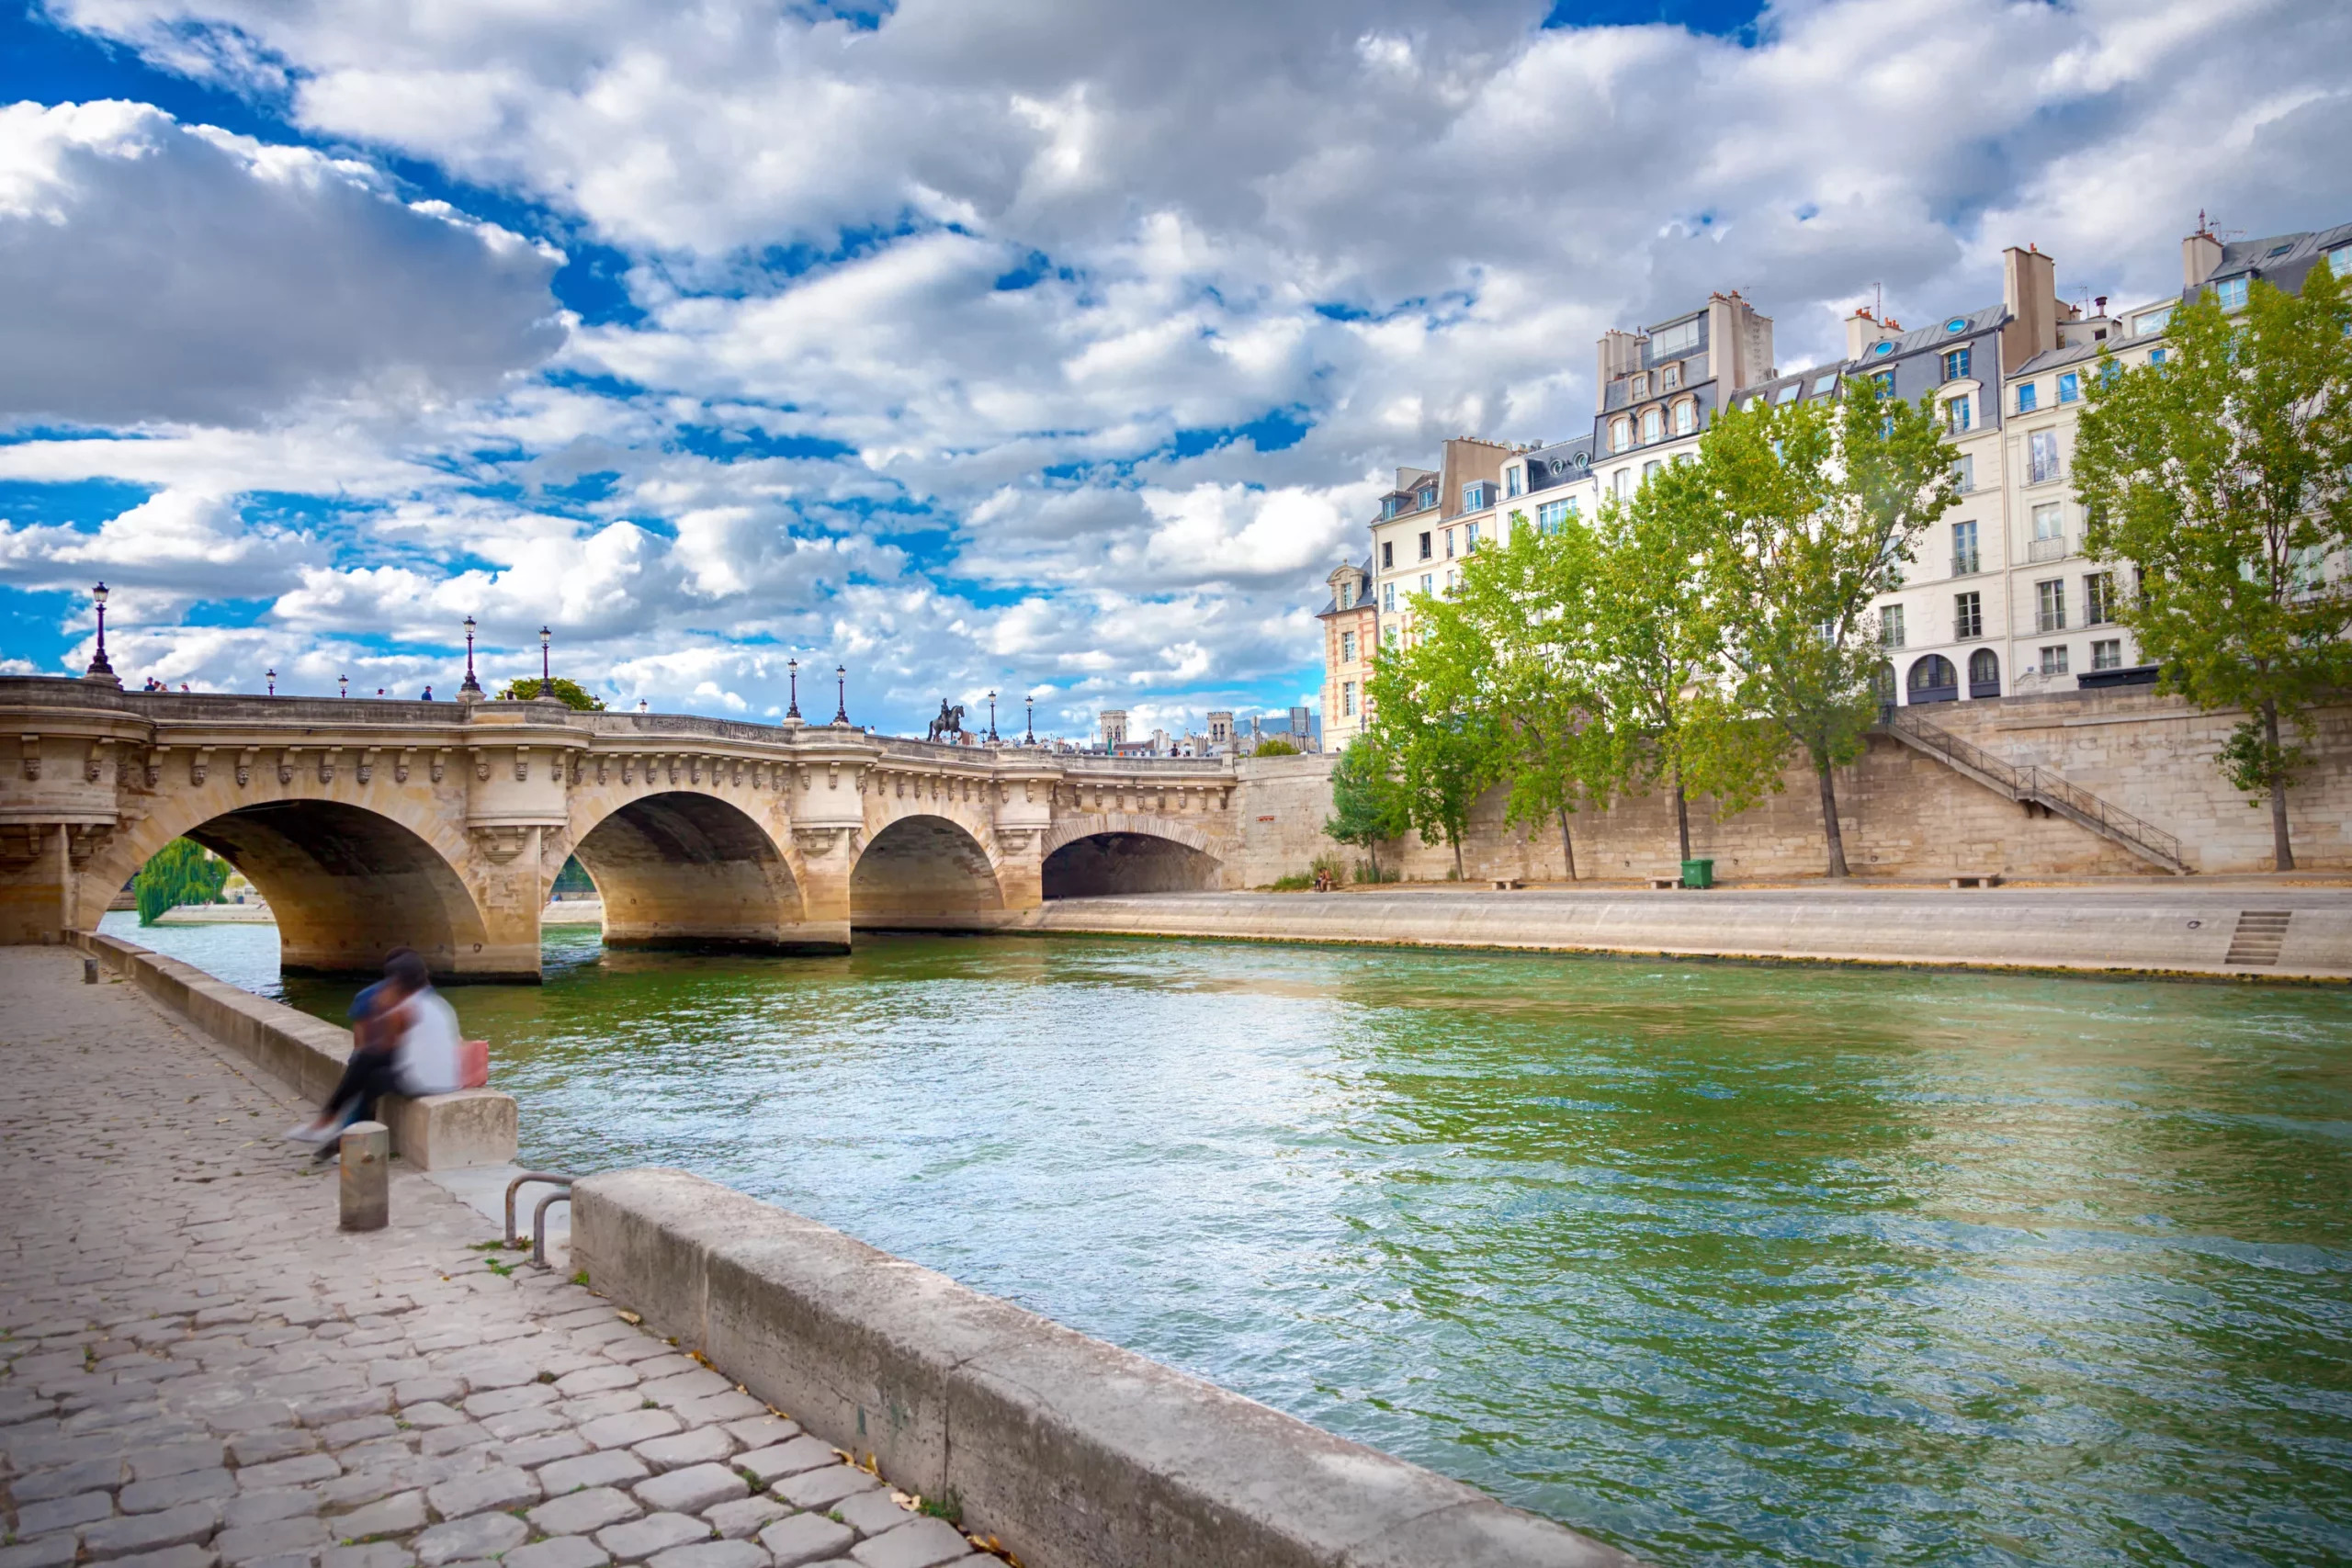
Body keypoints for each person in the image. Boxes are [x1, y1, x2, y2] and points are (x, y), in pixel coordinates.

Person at [283, 948, 465, 1155]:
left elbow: (383, 1044)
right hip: (449, 1081)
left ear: (397, 982)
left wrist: (381, 1007)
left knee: (368, 1067)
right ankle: (340, 1132)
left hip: (425, 1083)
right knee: (371, 1068)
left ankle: (336, 1129)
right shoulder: (438, 1003)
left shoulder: (406, 1008)